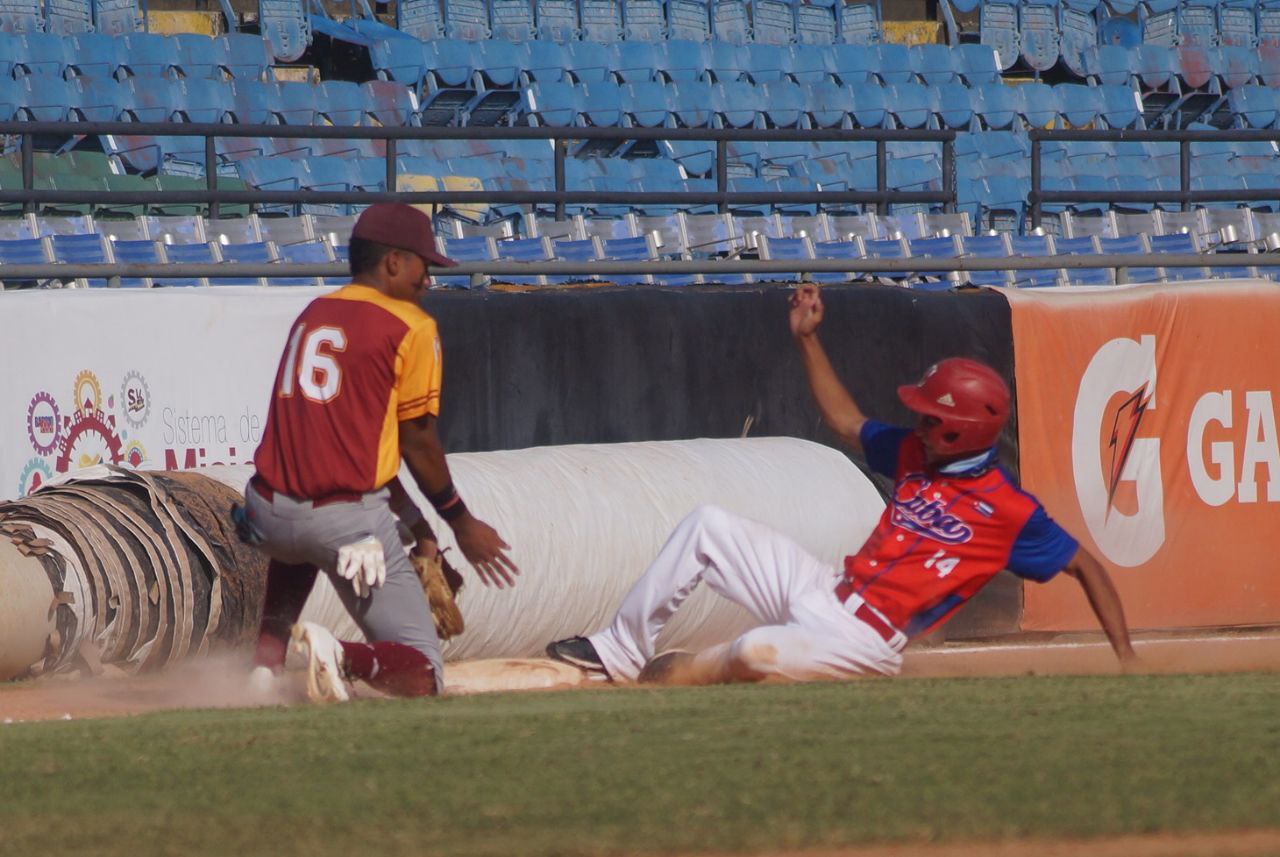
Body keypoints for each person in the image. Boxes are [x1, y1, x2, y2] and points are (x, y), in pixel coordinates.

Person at [546, 284, 1136, 685]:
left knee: (756, 651)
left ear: (960, 432)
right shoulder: (912, 454)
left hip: (867, 643)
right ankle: (620, 653)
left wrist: (1127, 659)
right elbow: (846, 421)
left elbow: (1085, 566)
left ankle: (688, 673)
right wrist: (806, 339)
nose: (919, 421)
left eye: (933, 416)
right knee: (708, 526)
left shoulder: (1009, 510)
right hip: (826, 592)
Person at [239, 202, 518, 702]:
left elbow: (358, 444)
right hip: (343, 525)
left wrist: (418, 528)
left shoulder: (316, 310)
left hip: (264, 511)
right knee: (423, 673)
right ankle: (340, 655)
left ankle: (266, 659)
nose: (428, 280)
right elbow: (416, 442)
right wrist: (460, 522)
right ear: (393, 261)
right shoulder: (410, 325)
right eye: (423, 265)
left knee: (297, 542)